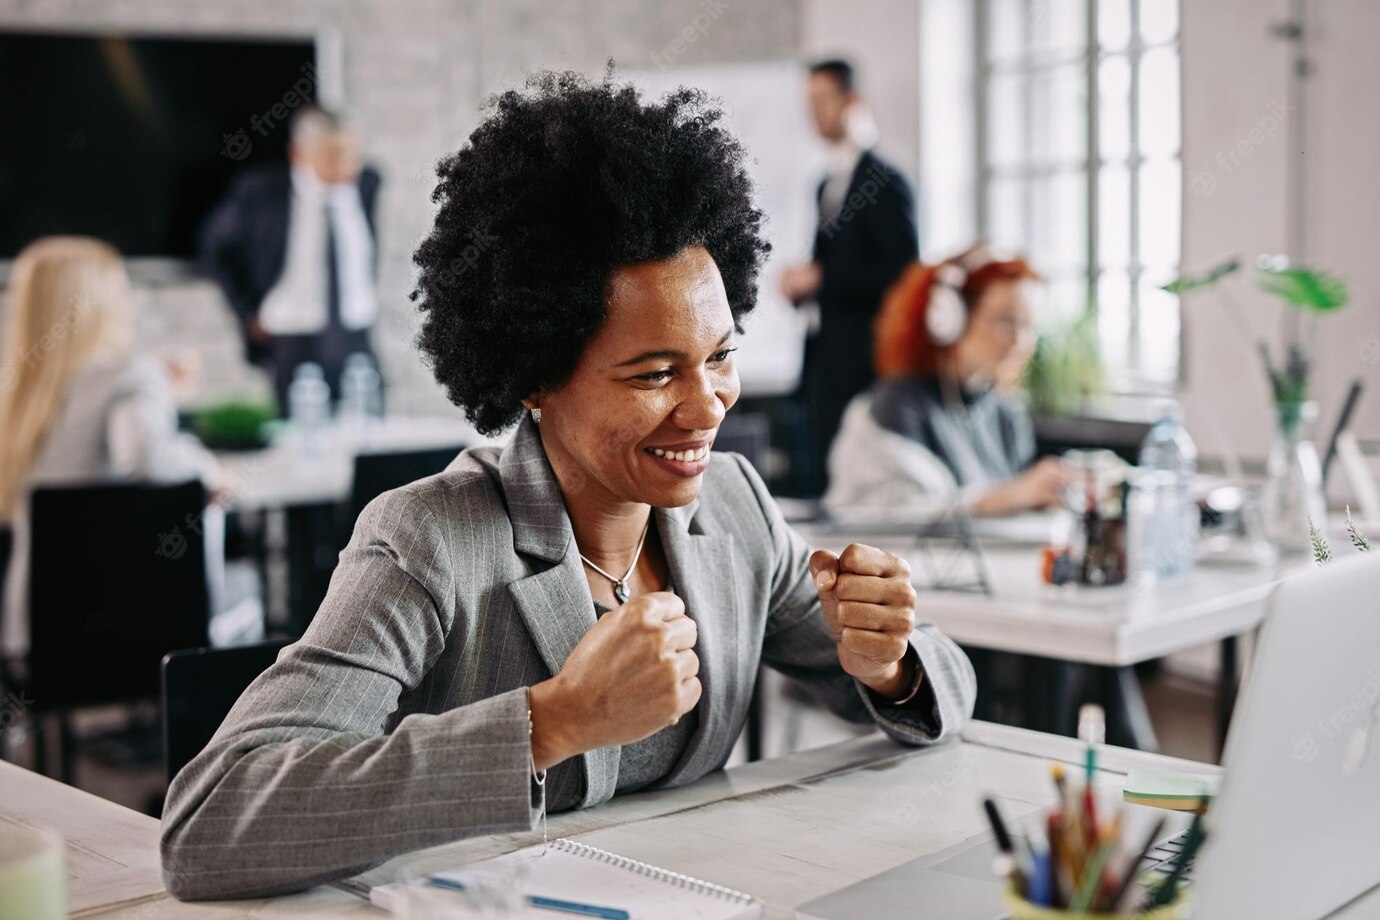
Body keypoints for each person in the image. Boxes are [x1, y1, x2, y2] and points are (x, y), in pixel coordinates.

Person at [159, 71, 976, 901]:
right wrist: (552, 723)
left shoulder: (736, 506)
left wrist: (887, 664)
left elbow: (943, 684)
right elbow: (211, 824)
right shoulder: (428, 540)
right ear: (535, 376)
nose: (706, 406)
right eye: (655, 372)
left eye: (721, 357)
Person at [0, 237, 217, 658]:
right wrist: (208, 468)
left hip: (35, 630)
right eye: (120, 291)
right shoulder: (129, 375)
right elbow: (144, 455)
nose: (129, 303)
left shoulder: (18, 397)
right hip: (134, 625)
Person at [824, 246, 1070, 519]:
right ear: (949, 319)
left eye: (1028, 326)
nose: (1020, 342)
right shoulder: (892, 409)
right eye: (1006, 322)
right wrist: (999, 499)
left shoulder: (1004, 413)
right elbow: (882, 516)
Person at [779, 59, 919, 495]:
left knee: (856, 479)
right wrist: (802, 287)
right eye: (809, 103)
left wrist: (821, 278)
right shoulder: (825, 183)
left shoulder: (885, 180)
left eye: (823, 101)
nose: (814, 114)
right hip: (824, 361)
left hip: (865, 363)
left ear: (852, 101)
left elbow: (902, 272)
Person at [199, 106, 383, 410]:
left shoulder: (368, 183)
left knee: (370, 436)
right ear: (299, 152)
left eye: (352, 154)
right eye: (332, 154)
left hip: (356, 335)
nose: (346, 166)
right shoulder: (259, 193)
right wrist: (248, 311)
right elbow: (215, 250)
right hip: (292, 338)